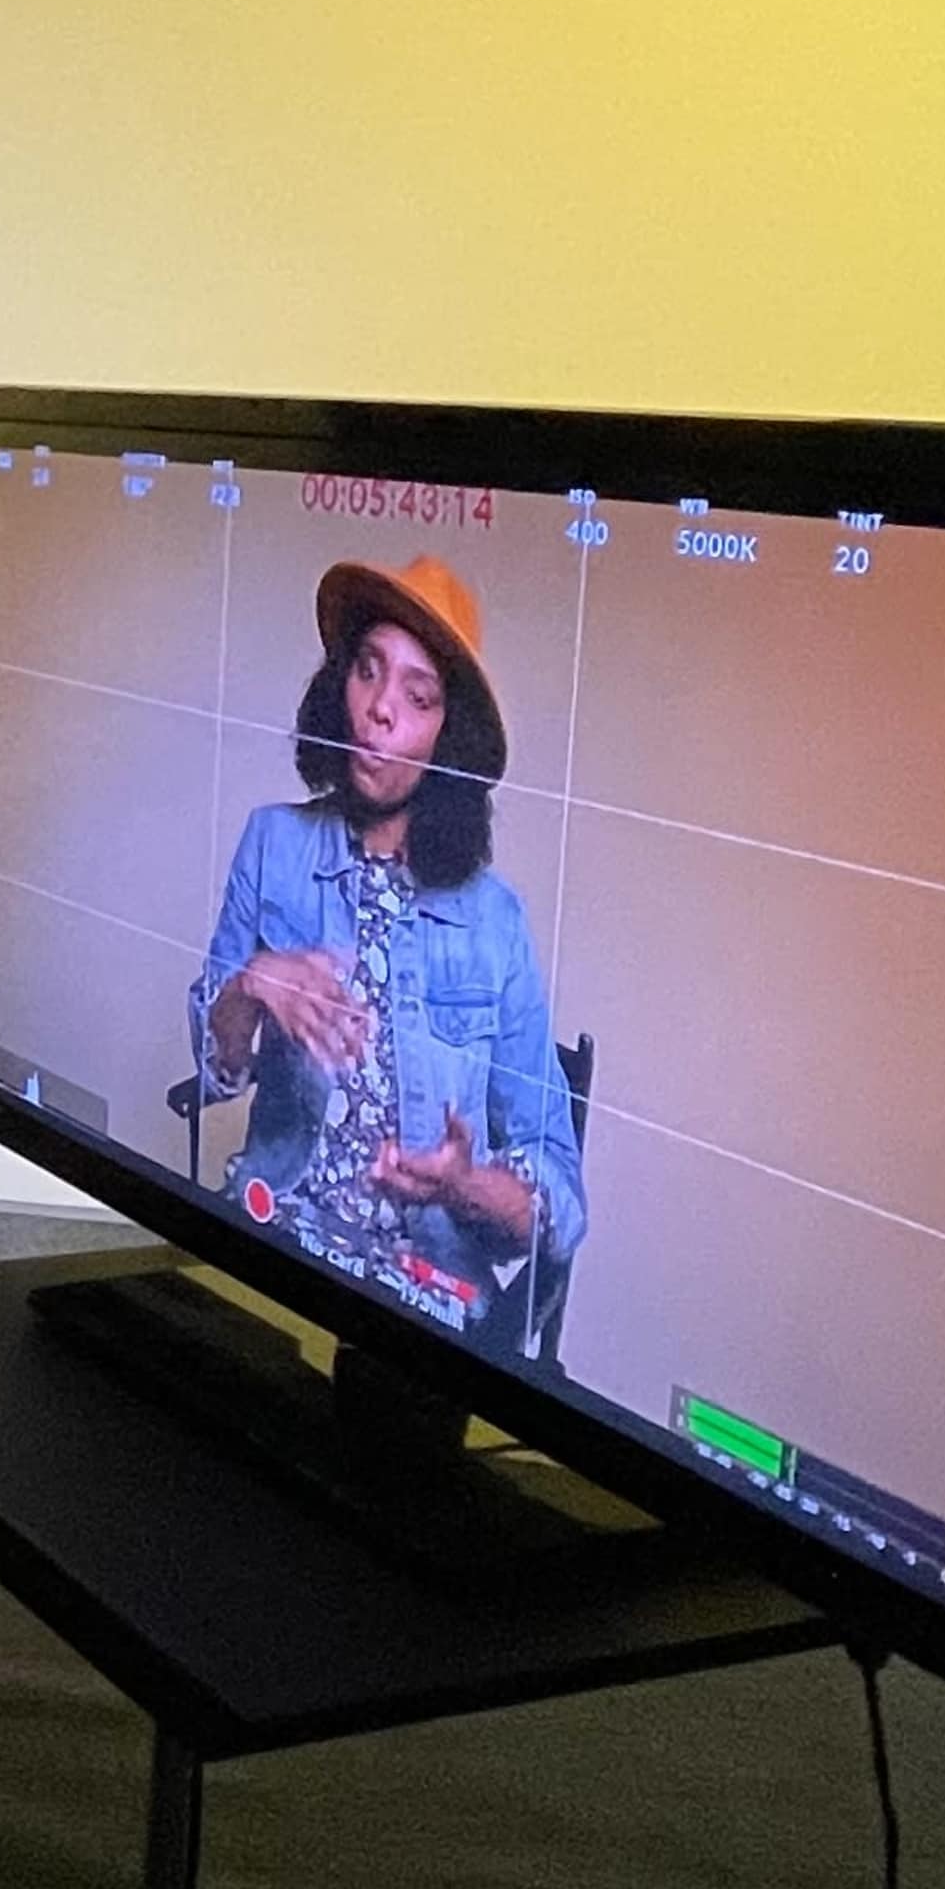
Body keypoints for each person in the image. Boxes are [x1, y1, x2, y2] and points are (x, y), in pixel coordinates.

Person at [190, 554, 587, 1345]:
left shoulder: (494, 921)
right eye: (368, 672)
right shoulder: (272, 844)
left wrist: (465, 1184)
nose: (380, 710)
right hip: (275, 1238)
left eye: (418, 695)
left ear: (451, 735)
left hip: (424, 1301)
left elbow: (560, 1203)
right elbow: (215, 1067)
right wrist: (249, 985)